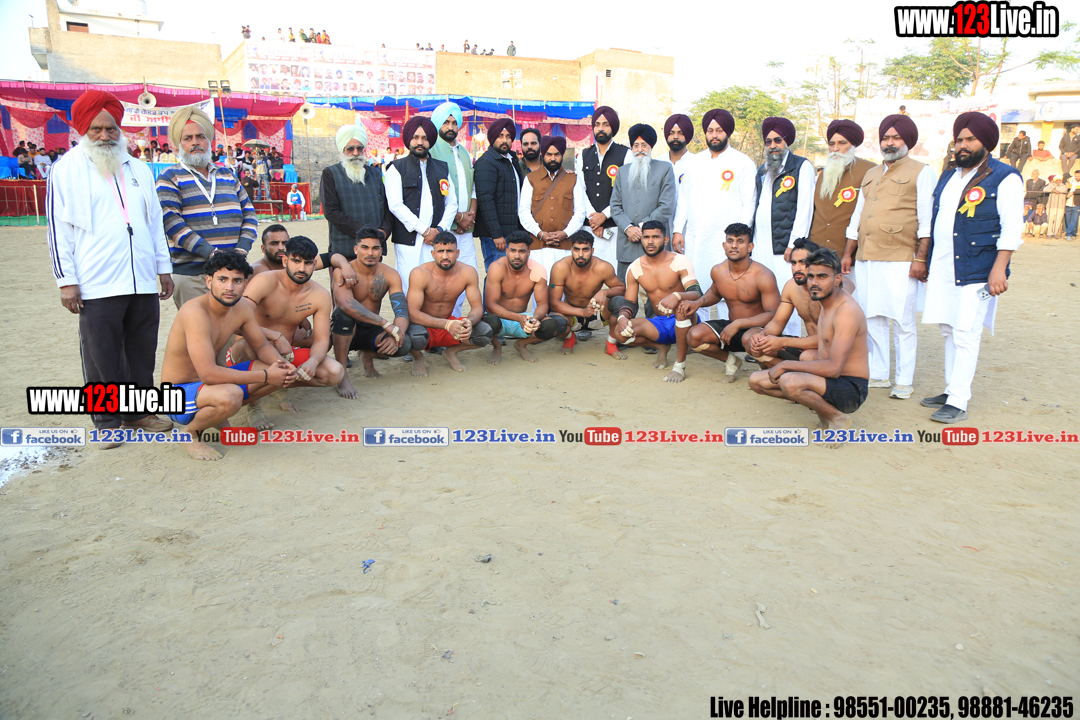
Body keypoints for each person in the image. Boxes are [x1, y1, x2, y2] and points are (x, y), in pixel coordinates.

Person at [48, 89, 175, 446]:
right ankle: (106, 420)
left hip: (142, 278)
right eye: (97, 129)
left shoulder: (139, 168)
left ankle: (139, 412)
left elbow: (154, 222)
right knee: (101, 354)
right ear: (83, 129)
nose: (105, 135)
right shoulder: (65, 169)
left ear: (120, 130)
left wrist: (162, 267)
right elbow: (58, 229)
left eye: (111, 128)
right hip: (96, 280)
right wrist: (66, 280)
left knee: (141, 349)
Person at [921, 111, 1023, 423]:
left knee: (966, 331)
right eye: (959, 140)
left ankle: (959, 401)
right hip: (944, 266)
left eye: (970, 139)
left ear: (986, 143)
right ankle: (951, 389)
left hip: (979, 269)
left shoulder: (1005, 177)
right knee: (949, 329)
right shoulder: (949, 175)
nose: (962, 145)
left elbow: (1012, 228)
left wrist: (999, 268)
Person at [161, 251, 297, 460]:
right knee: (232, 394)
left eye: (237, 281)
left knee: (280, 373)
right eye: (222, 279)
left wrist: (282, 367)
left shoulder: (241, 307)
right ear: (209, 281)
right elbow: (207, 374)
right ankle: (190, 433)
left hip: (207, 388)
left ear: (245, 284)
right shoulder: (195, 312)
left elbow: (261, 345)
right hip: (177, 396)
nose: (230, 287)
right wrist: (266, 376)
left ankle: (219, 419)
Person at [841, 114, 935, 400]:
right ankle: (880, 373)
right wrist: (848, 253)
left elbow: (927, 220)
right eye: (885, 138)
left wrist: (921, 259)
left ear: (908, 141)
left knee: (902, 322)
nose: (890, 143)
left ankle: (904, 380)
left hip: (901, 257)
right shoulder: (871, 173)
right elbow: (857, 216)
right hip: (867, 256)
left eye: (896, 137)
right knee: (872, 316)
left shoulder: (922, 172)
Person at [748, 249, 869, 439]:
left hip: (851, 389)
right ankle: (823, 413)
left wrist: (786, 365)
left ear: (837, 280)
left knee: (789, 381)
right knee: (756, 381)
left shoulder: (846, 311)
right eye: (811, 276)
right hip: (828, 380)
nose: (814, 282)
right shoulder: (826, 303)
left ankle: (837, 418)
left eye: (822, 277)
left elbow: (834, 368)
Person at [225, 236, 345, 424]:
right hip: (246, 352)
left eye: (307, 263)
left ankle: (277, 385)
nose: (302, 268)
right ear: (285, 261)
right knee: (249, 344)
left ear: (314, 264)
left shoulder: (319, 295)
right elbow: (236, 321)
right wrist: (275, 335)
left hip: (284, 356)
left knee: (334, 372)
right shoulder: (265, 281)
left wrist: (313, 362)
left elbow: (322, 339)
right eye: (296, 261)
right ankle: (254, 405)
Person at [157, 105, 257, 307]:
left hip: (232, 273)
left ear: (209, 140)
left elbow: (250, 215)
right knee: (198, 327)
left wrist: (241, 251)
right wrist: (212, 254)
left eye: (200, 137)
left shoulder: (227, 175)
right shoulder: (170, 176)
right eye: (188, 138)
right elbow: (172, 223)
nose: (195, 142)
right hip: (193, 275)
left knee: (234, 327)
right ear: (178, 144)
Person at [667, 223, 779, 384]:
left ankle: (767, 371)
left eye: (740, 241)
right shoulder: (718, 271)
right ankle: (731, 362)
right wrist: (697, 303)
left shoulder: (763, 275)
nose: (734, 245)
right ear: (724, 245)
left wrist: (739, 324)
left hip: (758, 329)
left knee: (750, 338)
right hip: (732, 328)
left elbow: (773, 314)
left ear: (750, 247)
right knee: (695, 336)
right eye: (730, 241)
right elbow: (714, 293)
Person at [671, 109, 756, 322]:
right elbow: (684, 198)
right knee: (696, 286)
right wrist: (677, 230)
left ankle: (732, 332)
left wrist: (740, 238)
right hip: (697, 236)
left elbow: (749, 202)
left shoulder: (743, 162)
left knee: (729, 289)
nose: (714, 135)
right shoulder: (695, 161)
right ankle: (699, 331)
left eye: (719, 130)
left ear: (728, 132)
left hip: (727, 239)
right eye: (710, 131)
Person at [751, 116, 815, 337]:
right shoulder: (763, 169)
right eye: (768, 142)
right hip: (761, 244)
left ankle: (789, 342)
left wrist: (794, 244)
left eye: (777, 140)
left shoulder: (801, 166)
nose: (772, 146)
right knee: (764, 296)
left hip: (784, 247)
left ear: (787, 141)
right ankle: (766, 342)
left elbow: (805, 207)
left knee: (788, 295)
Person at [743, 238, 849, 369]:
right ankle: (784, 374)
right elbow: (778, 322)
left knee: (807, 357)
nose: (796, 268)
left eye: (803, 262)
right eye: (793, 263)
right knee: (753, 341)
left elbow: (827, 338)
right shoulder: (791, 287)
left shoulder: (827, 291)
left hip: (832, 352)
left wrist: (782, 341)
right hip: (809, 347)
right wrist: (763, 335)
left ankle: (795, 374)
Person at [610, 220, 701, 369]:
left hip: (686, 319)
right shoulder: (635, 268)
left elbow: (696, 292)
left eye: (655, 237)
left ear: (665, 240)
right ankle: (661, 347)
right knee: (620, 333)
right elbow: (630, 303)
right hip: (660, 322)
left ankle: (679, 365)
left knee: (681, 309)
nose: (650, 242)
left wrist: (677, 296)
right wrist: (622, 318)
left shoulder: (680, 261)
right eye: (646, 237)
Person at [331, 228, 411, 394]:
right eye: (365, 247)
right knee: (343, 316)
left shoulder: (390, 274)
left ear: (381, 251)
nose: (370, 253)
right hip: (345, 329)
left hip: (371, 328)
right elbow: (346, 305)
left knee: (404, 344)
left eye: (375, 248)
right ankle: (342, 376)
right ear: (356, 249)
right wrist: (385, 324)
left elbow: (401, 311)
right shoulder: (343, 271)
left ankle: (367, 356)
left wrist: (396, 334)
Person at [386, 116, 457, 294]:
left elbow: (452, 203)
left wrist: (439, 230)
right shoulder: (396, 168)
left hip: (436, 239)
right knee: (409, 286)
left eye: (425, 138)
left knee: (436, 287)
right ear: (408, 139)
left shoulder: (442, 168)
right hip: (409, 240)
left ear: (430, 140)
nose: (420, 142)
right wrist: (424, 231)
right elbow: (396, 205)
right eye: (415, 137)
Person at [405, 233, 493, 376]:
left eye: (450, 251)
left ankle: (451, 352)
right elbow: (412, 313)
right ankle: (418, 357)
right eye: (440, 251)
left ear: (457, 253)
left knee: (484, 332)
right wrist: (446, 324)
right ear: (433, 254)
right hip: (424, 325)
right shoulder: (420, 273)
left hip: (449, 324)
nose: (445, 256)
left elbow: (477, 306)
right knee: (415, 337)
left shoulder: (467, 272)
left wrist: (469, 321)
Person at [429, 101, 480, 316]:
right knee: (442, 279)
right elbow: (432, 190)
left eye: (454, 122)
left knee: (468, 274)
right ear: (437, 124)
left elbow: (472, 187)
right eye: (446, 122)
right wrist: (457, 217)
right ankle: (439, 325)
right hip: (443, 227)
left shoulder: (464, 152)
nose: (450, 127)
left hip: (465, 228)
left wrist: (470, 216)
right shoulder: (430, 151)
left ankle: (455, 321)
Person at [610, 123, 677, 281]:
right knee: (626, 290)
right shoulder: (622, 171)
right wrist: (628, 228)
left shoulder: (665, 169)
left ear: (651, 147)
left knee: (657, 290)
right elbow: (615, 206)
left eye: (644, 145)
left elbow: (666, 206)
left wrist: (642, 228)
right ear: (632, 148)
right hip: (627, 242)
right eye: (636, 145)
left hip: (655, 242)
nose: (640, 149)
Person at [483, 232, 562, 363]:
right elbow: (490, 305)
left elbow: (542, 304)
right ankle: (496, 346)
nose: (517, 256)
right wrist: (518, 318)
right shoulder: (497, 268)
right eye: (513, 250)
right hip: (500, 318)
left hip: (523, 319)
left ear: (528, 253)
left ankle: (522, 344)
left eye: (522, 251)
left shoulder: (537, 269)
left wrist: (535, 319)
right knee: (488, 322)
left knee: (551, 326)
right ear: (507, 251)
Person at [547, 229, 626, 354]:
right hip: (571, 315)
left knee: (621, 302)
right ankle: (570, 338)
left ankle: (611, 344)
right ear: (571, 250)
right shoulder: (561, 267)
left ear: (592, 250)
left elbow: (621, 288)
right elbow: (554, 303)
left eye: (585, 250)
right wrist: (582, 312)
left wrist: (604, 292)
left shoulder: (602, 267)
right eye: (576, 249)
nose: (580, 254)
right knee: (552, 322)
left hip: (597, 314)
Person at [321, 124, 393, 260]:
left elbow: (388, 208)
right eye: (350, 149)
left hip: (375, 252)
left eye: (359, 148)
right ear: (342, 149)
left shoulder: (375, 174)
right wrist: (366, 234)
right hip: (344, 254)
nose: (355, 153)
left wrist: (383, 232)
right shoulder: (331, 174)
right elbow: (331, 212)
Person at [518, 135, 586, 276]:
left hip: (565, 246)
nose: (553, 158)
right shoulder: (531, 179)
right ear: (543, 154)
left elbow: (580, 212)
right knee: (540, 283)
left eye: (557, 154)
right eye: (549, 154)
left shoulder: (573, 178)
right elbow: (523, 211)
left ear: (562, 155)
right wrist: (540, 233)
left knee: (563, 284)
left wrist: (565, 233)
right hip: (538, 246)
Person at [576, 106, 632, 270]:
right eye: (597, 124)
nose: (601, 128)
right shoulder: (583, 155)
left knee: (612, 272)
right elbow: (580, 189)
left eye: (606, 124)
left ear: (612, 127)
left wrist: (604, 216)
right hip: (589, 228)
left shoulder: (625, 154)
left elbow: (626, 192)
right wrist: (593, 219)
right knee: (587, 274)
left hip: (614, 227)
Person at [809, 120, 876, 256]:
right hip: (817, 252)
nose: (835, 149)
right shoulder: (823, 174)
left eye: (842, 143)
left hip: (850, 255)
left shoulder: (870, 171)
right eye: (831, 144)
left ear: (853, 145)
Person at [473, 117, 524, 270]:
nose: (504, 140)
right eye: (500, 136)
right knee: (496, 276)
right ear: (492, 137)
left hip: (511, 232)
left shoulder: (511, 160)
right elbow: (485, 200)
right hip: (495, 236)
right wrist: (496, 234)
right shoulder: (487, 162)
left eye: (508, 136)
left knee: (509, 277)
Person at [663, 113, 696, 195]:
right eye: (671, 133)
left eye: (680, 133)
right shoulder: (659, 162)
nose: (675, 137)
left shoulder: (696, 162)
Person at [1066, 169, 1080, 241]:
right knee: (1068, 219)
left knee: (1074, 219)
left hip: (1077, 203)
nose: (1077, 177)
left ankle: (1068, 234)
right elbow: (1066, 186)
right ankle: (1072, 232)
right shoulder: (1070, 180)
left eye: (1078, 176)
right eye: (1076, 176)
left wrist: (1073, 192)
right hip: (1068, 202)